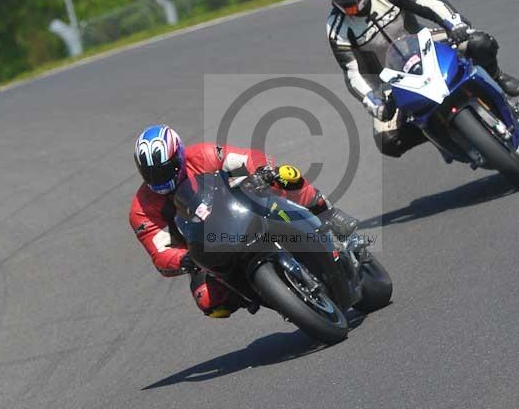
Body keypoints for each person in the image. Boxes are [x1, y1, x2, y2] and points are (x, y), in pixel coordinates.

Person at [128, 124, 358, 318]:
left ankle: (326, 212)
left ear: (178, 155)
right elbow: (159, 252)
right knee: (208, 301)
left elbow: (245, 157)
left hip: (239, 210)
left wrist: (261, 173)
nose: (161, 179)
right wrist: (184, 260)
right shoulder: (142, 208)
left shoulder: (203, 155)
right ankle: (264, 294)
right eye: (152, 174)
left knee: (285, 176)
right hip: (204, 249)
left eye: (167, 169)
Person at [324, 0, 519, 158]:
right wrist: (372, 100)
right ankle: (437, 129)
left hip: (426, 42)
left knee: (479, 42)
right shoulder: (336, 27)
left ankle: (496, 76)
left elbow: (427, 3)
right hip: (390, 78)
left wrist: (454, 23)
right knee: (389, 141)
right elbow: (352, 72)